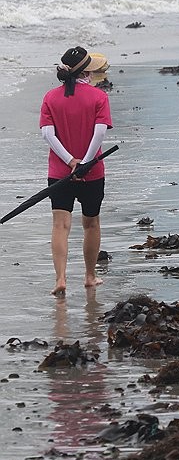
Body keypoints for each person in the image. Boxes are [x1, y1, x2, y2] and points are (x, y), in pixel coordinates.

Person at [39, 46, 113, 297]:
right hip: (92, 172)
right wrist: (85, 163)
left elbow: (48, 135)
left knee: (60, 224)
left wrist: (71, 162)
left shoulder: (50, 97)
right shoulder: (98, 97)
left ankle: (60, 279)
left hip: (60, 171)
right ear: (86, 71)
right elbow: (100, 132)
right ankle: (90, 276)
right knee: (91, 223)